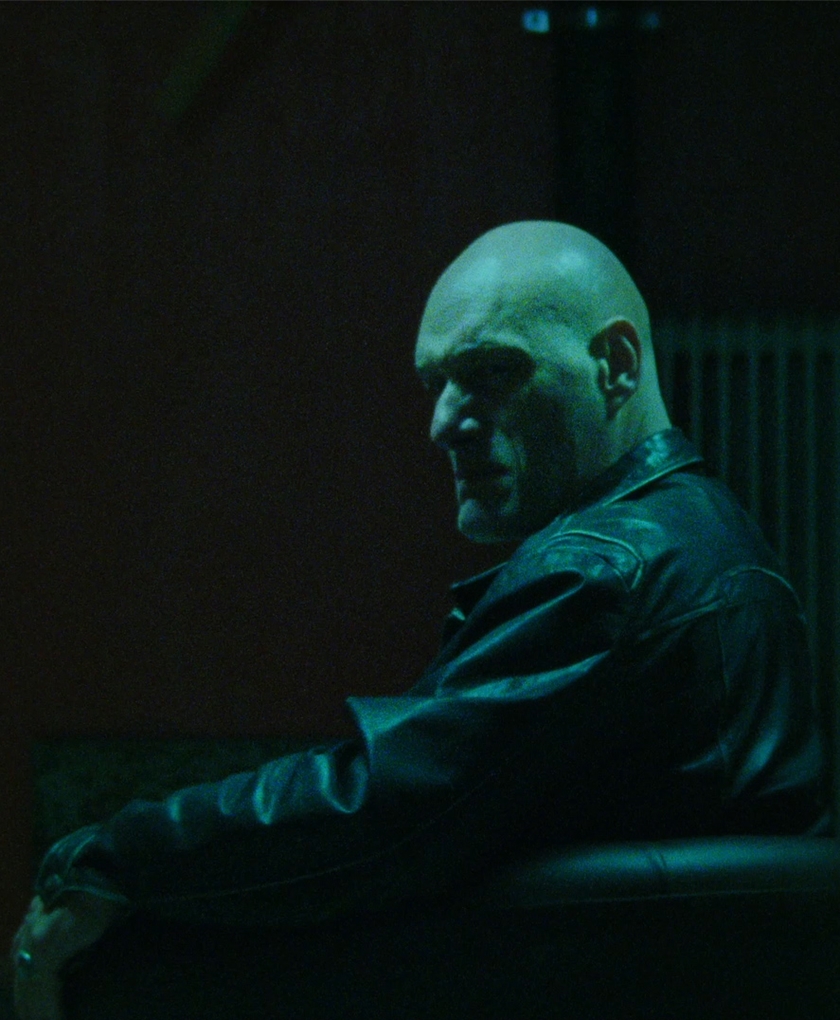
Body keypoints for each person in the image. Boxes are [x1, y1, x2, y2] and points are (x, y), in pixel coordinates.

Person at [11, 222, 827, 1019]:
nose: (443, 423)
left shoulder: (609, 569)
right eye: (436, 383)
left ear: (614, 366)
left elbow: (378, 813)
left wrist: (112, 862)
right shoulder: (702, 532)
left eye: (492, 372)